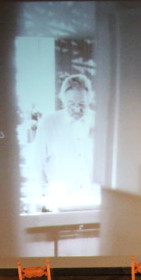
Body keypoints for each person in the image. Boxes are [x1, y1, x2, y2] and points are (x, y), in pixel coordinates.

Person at [32, 74, 99, 212]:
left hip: (94, 200)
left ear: (90, 99)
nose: (76, 109)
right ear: (62, 100)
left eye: (82, 105)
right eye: (71, 104)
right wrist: (40, 198)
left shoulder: (100, 121)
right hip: (58, 202)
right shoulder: (49, 123)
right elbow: (36, 164)